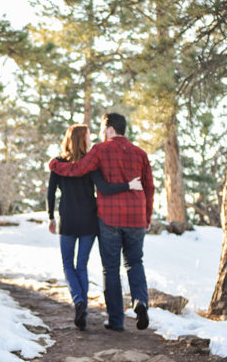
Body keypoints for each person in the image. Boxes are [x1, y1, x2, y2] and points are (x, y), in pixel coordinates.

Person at [49, 113, 154, 332]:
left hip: (109, 218)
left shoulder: (100, 149)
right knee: (135, 262)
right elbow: (149, 187)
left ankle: (116, 321)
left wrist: (54, 165)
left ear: (109, 129)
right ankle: (140, 302)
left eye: (101, 128)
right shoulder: (140, 153)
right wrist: (147, 216)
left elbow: (77, 169)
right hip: (136, 217)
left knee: (111, 269)